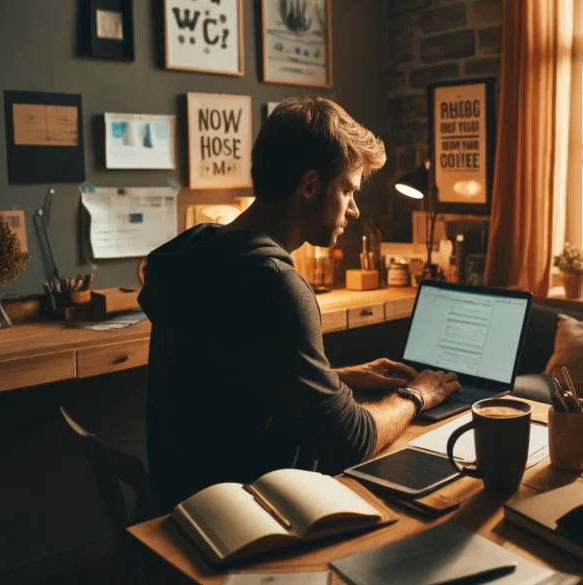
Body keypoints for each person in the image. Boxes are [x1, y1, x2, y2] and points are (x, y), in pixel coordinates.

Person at [138, 97, 463, 511]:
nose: (355, 208)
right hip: (253, 514)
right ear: (310, 185)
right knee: (436, 502)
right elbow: (351, 441)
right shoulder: (274, 283)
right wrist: (418, 393)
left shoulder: (198, 252)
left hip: (182, 501)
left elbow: (231, 375)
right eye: (347, 189)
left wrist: (336, 378)